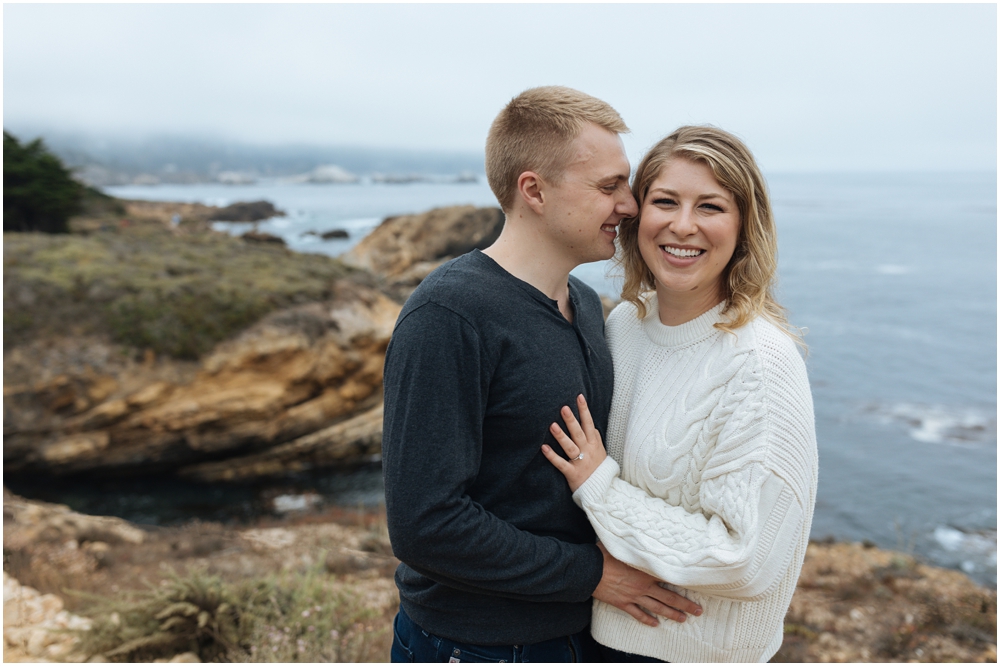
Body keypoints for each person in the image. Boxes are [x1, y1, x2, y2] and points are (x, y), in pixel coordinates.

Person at [382, 87, 702, 663]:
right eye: (608, 187)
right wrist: (593, 575)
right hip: (475, 643)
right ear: (534, 190)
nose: (629, 206)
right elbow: (424, 524)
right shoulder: (449, 316)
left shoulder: (584, 303)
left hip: (582, 633)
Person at [542, 125, 819, 662]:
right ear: (636, 214)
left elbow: (746, 559)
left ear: (744, 225)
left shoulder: (761, 362)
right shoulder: (624, 324)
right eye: (665, 201)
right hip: (596, 635)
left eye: (710, 207)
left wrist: (601, 487)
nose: (683, 226)